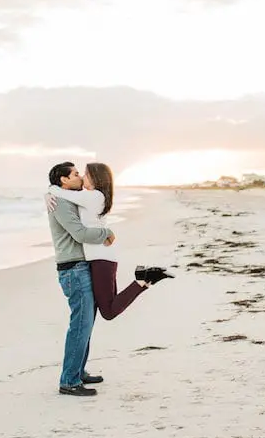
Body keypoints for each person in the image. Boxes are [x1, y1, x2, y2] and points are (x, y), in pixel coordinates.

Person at [46, 162, 174, 323]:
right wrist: (49, 194)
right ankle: (145, 280)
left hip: (101, 258)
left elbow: (64, 194)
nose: (82, 177)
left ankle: (143, 279)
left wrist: (50, 190)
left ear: (94, 178)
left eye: (85, 174)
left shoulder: (93, 196)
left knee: (108, 311)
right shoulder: (93, 196)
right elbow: (66, 197)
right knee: (110, 305)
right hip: (102, 256)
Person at [46, 162, 115, 397]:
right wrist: (107, 233)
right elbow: (80, 233)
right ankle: (69, 381)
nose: (79, 177)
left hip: (82, 266)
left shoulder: (68, 197)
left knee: (86, 325)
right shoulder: (61, 202)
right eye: (75, 175)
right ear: (64, 181)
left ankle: (78, 370)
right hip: (73, 269)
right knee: (80, 325)